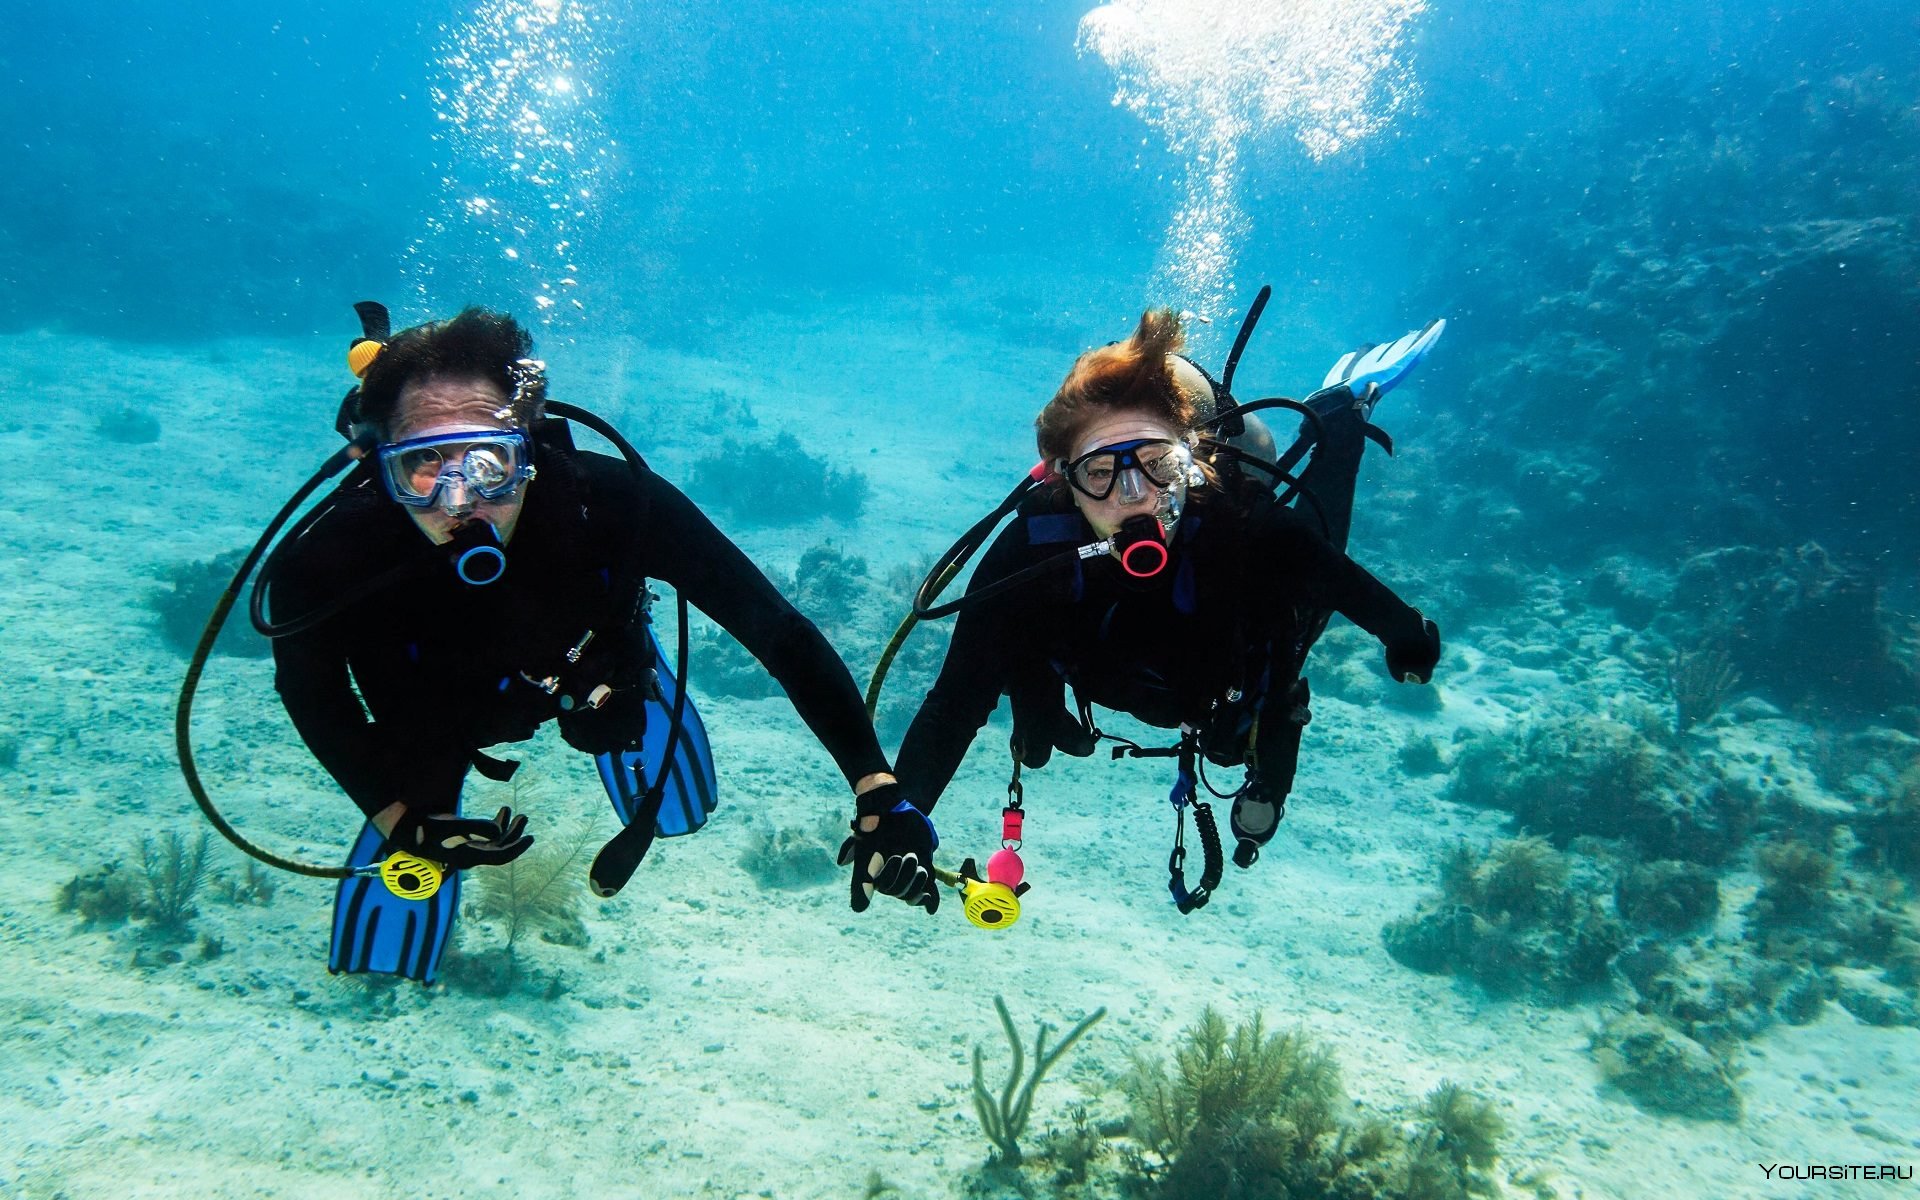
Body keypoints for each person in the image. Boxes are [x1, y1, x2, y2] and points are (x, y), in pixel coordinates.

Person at [261, 306, 902, 979]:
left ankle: (635, 682)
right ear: (380, 466)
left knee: (617, 708)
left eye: (488, 462)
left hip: (584, 666)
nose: (459, 501)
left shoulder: (613, 504)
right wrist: (396, 819)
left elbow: (777, 629)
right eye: (422, 465)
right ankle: (416, 815)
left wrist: (875, 783)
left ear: (528, 450)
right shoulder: (328, 559)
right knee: (418, 801)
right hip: (435, 702)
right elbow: (312, 692)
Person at [844, 307, 1442, 917]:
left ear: (1190, 457)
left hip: (1232, 654)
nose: (1133, 495)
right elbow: (955, 702)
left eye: (1156, 464)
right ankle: (1043, 704)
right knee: (1034, 685)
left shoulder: (1242, 525)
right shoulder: (1031, 554)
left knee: (1306, 568)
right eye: (1099, 473)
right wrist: (908, 811)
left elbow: (1343, 582)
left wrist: (1406, 635)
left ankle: (1342, 413)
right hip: (1113, 666)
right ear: (1061, 482)